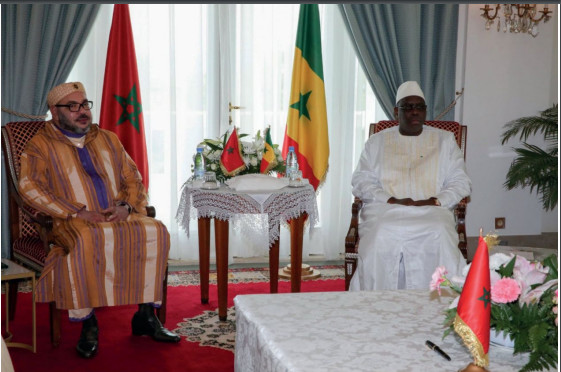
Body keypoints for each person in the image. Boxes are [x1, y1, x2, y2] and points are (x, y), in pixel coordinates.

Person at [18, 82, 180, 359]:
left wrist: (127, 207)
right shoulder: (39, 146)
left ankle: (146, 316)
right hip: (71, 219)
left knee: (155, 231)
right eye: (72, 106)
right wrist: (76, 212)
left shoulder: (107, 138)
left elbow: (133, 176)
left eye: (84, 104)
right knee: (86, 240)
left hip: (115, 214)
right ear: (55, 113)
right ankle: (89, 325)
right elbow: (29, 187)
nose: (82, 112)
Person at [349, 81, 471, 291]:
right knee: (380, 233)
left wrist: (435, 200)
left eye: (420, 107)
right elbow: (361, 180)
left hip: (432, 209)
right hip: (385, 208)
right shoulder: (377, 142)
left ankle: (442, 301)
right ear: (397, 112)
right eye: (408, 107)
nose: (415, 112)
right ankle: (377, 302)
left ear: (425, 111)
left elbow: (460, 181)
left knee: (440, 231)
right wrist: (390, 199)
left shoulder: (445, 140)